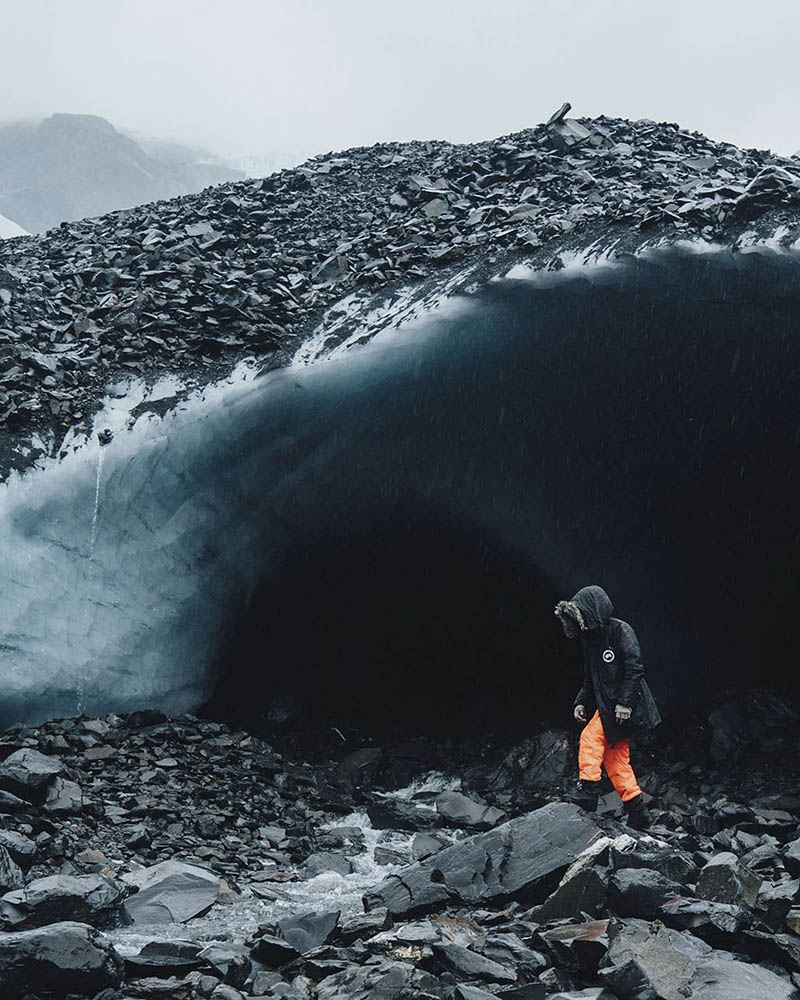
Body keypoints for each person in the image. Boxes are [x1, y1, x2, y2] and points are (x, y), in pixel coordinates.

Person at [554, 585, 661, 830]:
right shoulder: (591, 641)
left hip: (624, 708)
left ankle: (588, 792)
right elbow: (590, 679)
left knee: (590, 738)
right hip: (609, 707)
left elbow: (635, 670)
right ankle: (638, 811)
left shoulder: (620, 631)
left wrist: (625, 704)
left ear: (592, 610)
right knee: (616, 760)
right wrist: (581, 701)